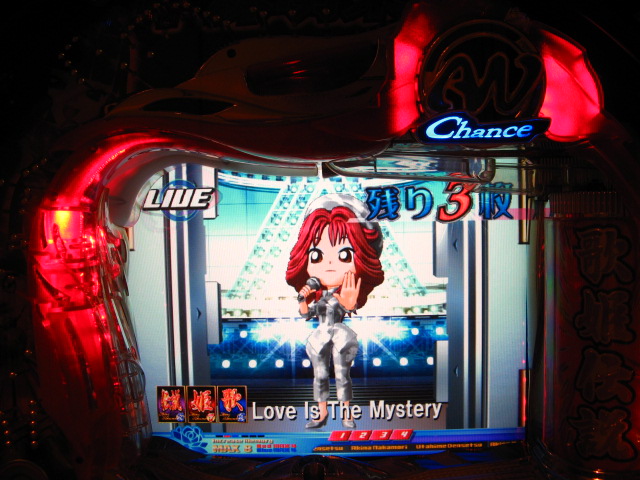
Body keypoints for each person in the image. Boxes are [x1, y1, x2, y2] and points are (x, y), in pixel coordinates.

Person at [286, 194, 384, 428]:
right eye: (316, 255)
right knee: (319, 376)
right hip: (320, 334)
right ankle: (321, 415)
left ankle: (347, 415)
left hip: (340, 334)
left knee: (342, 376)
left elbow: (350, 306)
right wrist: (302, 300)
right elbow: (306, 314)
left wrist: (349, 303)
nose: (329, 264)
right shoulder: (317, 292)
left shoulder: (346, 292)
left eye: (344, 255)